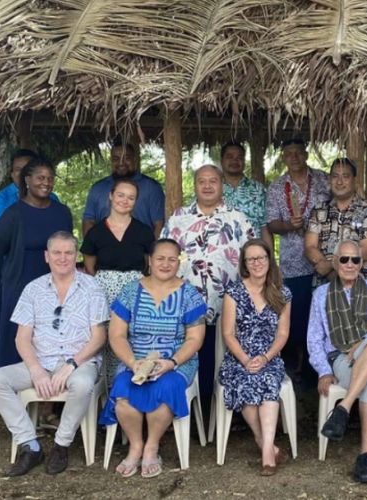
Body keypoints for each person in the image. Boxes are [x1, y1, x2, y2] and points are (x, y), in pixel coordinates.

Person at [0, 232, 107, 476]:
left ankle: (61, 444)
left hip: (80, 361)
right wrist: (36, 370)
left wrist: (71, 364)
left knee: (81, 384)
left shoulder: (92, 286)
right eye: (57, 252)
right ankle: (30, 445)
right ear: (47, 256)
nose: (63, 258)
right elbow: (22, 338)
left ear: (76, 255)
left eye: (69, 252)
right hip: (41, 361)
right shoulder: (33, 289)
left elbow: (99, 337)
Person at [99, 239, 207, 478]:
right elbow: (116, 335)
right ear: (150, 260)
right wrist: (132, 362)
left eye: (172, 259)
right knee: (124, 390)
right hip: (135, 360)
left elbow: (195, 339)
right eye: (160, 258)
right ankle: (136, 445)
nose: (166, 264)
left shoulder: (190, 294)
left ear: (178, 262)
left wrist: (172, 362)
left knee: (166, 387)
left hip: (177, 361)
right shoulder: (130, 290)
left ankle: (152, 446)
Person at [161, 164, 254, 413]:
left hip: (226, 306)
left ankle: (224, 412)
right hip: (187, 307)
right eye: (202, 181)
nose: (207, 185)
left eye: (213, 180)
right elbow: (163, 257)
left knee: (222, 359)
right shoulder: (178, 219)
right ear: (195, 185)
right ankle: (191, 412)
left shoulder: (239, 219)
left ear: (221, 185)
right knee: (191, 357)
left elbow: (252, 261)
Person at [307, 240, 367, 483]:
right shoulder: (321, 295)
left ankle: (343, 408)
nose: (350, 264)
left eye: (355, 259)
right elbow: (314, 338)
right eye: (344, 259)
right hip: (342, 359)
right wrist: (323, 371)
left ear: (362, 263)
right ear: (335, 263)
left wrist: (364, 343)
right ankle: (366, 454)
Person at [218, 240, 291, 476]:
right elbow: (228, 334)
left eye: (261, 257)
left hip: (269, 356)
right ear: (244, 264)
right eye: (251, 259)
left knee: (268, 381)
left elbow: (282, 333)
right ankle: (265, 444)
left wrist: (266, 357)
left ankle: (267, 452)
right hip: (239, 356)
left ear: (270, 260)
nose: (257, 263)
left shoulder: (282, 292)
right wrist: (246, 359)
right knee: (246, 379)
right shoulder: (234, 293)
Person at [0, 157, 73, 368]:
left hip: (55, 287)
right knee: (17, 343)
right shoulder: (13, 214)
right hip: (20, 287)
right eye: (40, 178)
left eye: (50, 178)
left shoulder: (62, 212)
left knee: (52, 339)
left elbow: (68, 248)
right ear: (27, 180)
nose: (46, 183)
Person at [81, 179, 155, 388]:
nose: (125, 200)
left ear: (136, 202)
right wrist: (105, 282)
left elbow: (149, 264)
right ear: (111, 196)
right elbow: (90, 265)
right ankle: (105, 393)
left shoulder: (143, 231)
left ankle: (130, 388)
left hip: (134, 289)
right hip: (104, 289)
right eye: (121, 195)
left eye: (131, 197)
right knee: (104, 338)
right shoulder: (96, 232)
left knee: (131, 337)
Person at [266, 138, 330, 381]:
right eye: (288, 153)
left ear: (306, 154)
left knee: (325, 312)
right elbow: (271, 224)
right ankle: (300, 365)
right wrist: (287, 225)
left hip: (326, 258)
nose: (294, 157)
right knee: (299, 314)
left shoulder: (324, 179)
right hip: (294, 262)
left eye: (298, 152)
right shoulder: (277, 186)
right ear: (283, 157)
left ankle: (323, 365)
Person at [305, 157, 367, 288]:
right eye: (335, 176)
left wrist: (329, 266)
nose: (339, 181)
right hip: (323, 286)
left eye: (345, 176)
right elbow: (310, 247)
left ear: (354, 180)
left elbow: (366, 250)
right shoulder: (319, 210)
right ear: (330, 179)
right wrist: (330, 275)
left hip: (357, 287)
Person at [82, 140, 165, 236]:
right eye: (116, 159)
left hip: (141, 248)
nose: (121, 163)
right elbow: (88, 220)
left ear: (135, 159)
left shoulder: (151, 187)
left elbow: (159, 224)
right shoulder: (98, 188)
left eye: (126, 158)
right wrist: (91, 249)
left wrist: (153, 250)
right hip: (105, 248)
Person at [220, 141, 273, 249]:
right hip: (220, 258)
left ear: (244, 161)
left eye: (239, 157)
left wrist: (270, 260)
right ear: (222, 161)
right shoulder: (212, 189)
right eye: (229, 157)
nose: (235, 160)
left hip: (253, 257)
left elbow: (265, 228)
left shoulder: (258, 189)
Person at [0, 149, 60, 218]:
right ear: (12, 174)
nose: (23, 173)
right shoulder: (1, 201)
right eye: (18, 169)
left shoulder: (52, 198)